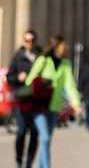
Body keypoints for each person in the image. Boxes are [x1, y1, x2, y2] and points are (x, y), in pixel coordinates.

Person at [25, 35, 82, 168]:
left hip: (54, 106)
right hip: (39, 106)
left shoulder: (66, 64)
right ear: (57, 46)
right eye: (64, 45)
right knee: (44, 138)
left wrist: (76, 103)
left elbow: (70, 85)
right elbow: (29, 80)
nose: (66, 47)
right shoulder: (43, 60)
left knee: (47, 141)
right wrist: (43, 83)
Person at [7, 30, 41, 168]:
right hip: (22, 99)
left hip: (37, 101)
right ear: (23, 41)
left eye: (32, 40)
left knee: (34, 133)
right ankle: (19, 159)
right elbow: (9, 77)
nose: (29, 43)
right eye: (27, 40)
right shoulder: (17, 56)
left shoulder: (40, 56)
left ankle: (28, 163)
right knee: (21, 131)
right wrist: (17, 78)